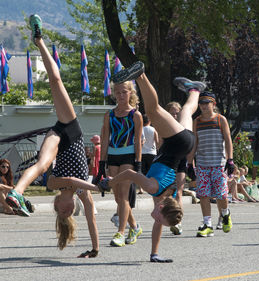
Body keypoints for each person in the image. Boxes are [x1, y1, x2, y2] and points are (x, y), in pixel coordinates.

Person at [6, 15, 100, 257]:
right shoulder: (84, 197)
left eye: (64, 212)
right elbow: (91, 219)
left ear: (57, 204)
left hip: (59, 135)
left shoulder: (53, 184)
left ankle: (16, 192)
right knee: (56, 81)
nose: (70, 210)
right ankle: (39, 40)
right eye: (70, 213)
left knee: (43, 164)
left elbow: (73, 180)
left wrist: (95, 186)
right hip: (74, 132)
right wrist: (96, 248)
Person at [100, 61, 203, 262]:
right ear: (162, 210)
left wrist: (154, 254)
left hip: (185, 145)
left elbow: (158, 226)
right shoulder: (152, 187)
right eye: (160, 219)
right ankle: (140, 75)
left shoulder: (166, 197)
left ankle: (195, 90)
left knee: (185, 112)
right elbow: (129, 174)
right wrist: (110, 182)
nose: (157, 222)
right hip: (177, 142)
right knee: (153, 110)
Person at [97, 69, 143, 247]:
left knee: (124, 195)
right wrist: (102, 164)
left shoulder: (135, 115)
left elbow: (138, 140)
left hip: (129, 156)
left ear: (130, 93)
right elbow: (105, 139)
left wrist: (138, 163)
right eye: (117, 92)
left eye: (124, 91)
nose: (121, 95)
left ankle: (120, 233)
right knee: (117, 197)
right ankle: (134, 226)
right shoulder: (109, 115)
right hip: (113, 157)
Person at [187, 91, 235, 237]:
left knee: (221, 195)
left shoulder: (221, 120)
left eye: (207, 103)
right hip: (202, 164)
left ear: (213, 104)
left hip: (218, 163)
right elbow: (195, 142)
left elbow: (228, 140)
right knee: (203, 195)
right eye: (201, 103)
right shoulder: (197, 121)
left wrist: (230, 159)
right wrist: (190, 163)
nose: (203, 106)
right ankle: (207, 224)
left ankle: (225, 214)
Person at [165, 102, 188, 235]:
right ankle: (170, 218)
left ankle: (178, 222)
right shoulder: (163, 125)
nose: (174, 115)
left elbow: (189, 145)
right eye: (172, 112)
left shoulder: (183, 126)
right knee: (168, 193)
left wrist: (191, 164)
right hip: (167, 161)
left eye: (176, 113)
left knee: (179, 192)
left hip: (181, 160)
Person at [140, 114, 159, 194]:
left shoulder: (140, 129)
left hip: (142, 153)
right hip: (152, 153)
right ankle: (151, 187)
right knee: (151, 172)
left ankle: (141, 189)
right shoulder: (153, 129)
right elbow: (157, 142)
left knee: (141, 172)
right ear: (150, 121)